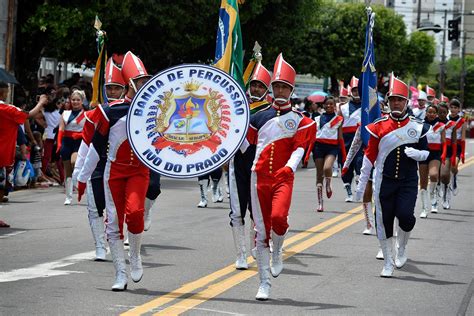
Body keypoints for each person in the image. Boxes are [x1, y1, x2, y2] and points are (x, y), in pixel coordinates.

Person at [77, 51, 151, 291]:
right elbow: (95, 148)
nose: (144, 85)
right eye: (140, 82)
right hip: (114, 173)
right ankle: (120, 273)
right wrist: (82, 177)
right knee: (113, 224)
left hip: (139, 171)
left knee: (136, 212)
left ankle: (136, 256)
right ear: (130, 84)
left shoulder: (153, 110)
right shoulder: (110, 111)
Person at [247, 54, 316, 300]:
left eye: (284, 87)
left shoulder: (301, 120)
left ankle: (278, 248)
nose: (279, 90)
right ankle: (264, 282)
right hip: (259, 178)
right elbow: (245, 145)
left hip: (283, 177)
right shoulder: (257, 117)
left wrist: (290, 167)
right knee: (260, 229)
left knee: (278, 218)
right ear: (271, 88)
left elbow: (300, 147)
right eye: (276, 86)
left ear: (291, 90)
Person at [356, 75, 430, 278]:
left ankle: (402, 248)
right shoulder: (378, 126)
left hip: (407, 181)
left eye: (400, 99)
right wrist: (362, 185)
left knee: (406, 217)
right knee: (384, 220)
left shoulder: (417, 126)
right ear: (388, 102)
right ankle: (388, 262)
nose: (396, 103)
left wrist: (419, 154)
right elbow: (369, 157)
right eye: (392, 100)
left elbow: (426, 153)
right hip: (384, 181)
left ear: (406, 102)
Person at [73, 57, 126, 261]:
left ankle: (117, 238)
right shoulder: (94, 114)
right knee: (95, 208)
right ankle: (99, 246)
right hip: (97, 164)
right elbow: (86, 144)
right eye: (110, 88)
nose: (112, 92)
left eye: (117, 88)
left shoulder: (131, 112)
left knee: (117, 209)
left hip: (119, 165)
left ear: (124, 89)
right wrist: (79, 174)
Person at [228, 61, 271, 270]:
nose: (256, 89)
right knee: (237, 211)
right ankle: (240, 254)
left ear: (267, 89)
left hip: (259, 164)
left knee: (258, 211)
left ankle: (257, 244)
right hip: (237, 163)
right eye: (254, 84)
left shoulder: (271, 111)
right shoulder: (236, 105)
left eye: (261, 86)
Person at [0, 81, 48, 225]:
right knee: (1, 187)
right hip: (2, 154)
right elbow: (29, 115)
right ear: (4, 92)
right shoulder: (6, 108)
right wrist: (41, 102)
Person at [313, 96, 345, 212]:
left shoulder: (339, 119)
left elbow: (340, 137)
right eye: (327, 104)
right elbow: (312, 136)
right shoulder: (317, 118)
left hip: (332, 147)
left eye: (331, 104)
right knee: (319, 175)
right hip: (318, 147)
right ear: (323, 105)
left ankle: (328, 183)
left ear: (334, 105)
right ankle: (320, 203)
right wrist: (307, 154)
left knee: (327, 167)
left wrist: (344, 155)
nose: (329, 106)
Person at [57, 90, 86, 205]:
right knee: (67, 170)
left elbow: (88, 130)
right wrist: (59, 143)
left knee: (75, 162)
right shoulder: (65, 114)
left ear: (82, 101)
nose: (75, 102)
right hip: (66, 142)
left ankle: (80, 182)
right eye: (73, 100)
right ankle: (68, 197)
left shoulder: (86, 114)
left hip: (79, 142)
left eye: (78, 100)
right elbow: (61, 129)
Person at [419, 104, 446, 218]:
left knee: (434, 175)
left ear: (436, 114)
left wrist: (444, 154)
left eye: (433, 112)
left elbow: (444, 142)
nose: (431, 114)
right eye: (429, 112)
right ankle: (424, 208)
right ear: (426, 113)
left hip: (435, 154)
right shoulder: (420, 125)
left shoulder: (440, 125)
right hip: (423, 153)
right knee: (423, 181)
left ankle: (433, 198)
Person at [339, 76, 362, 202]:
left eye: (358, 90)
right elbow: (339, 125)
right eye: (354, 90)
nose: (356, 93)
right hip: (346, 139)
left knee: (360, 162)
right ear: (350, 92)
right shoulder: (343, 108)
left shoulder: (366, 106)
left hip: (360, 139)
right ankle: (348, 190)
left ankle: (359, 186)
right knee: (346, 165)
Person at [438, 102, 457, 210]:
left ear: (447, 112)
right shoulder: (434, 123)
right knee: (437, 175)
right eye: (440, 112)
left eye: (444, 112)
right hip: (435, 151)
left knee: (445, 175)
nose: (442, 114)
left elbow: (454, 141)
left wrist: (454, 155)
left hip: (448, 152)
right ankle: (437, 189)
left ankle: (446, 193)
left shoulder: (452, 124)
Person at [447, 99, 466, 200]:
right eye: (452, 107)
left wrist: (462, 152)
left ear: (459, 109)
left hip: (457, 147)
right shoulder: (446, 119)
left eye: (455, 108)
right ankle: (446, 185)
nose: (453, 109)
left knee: (453, 167)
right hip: (447, 145)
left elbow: (463, 138)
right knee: (445, 171)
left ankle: (454, 178)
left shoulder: (462, 121)